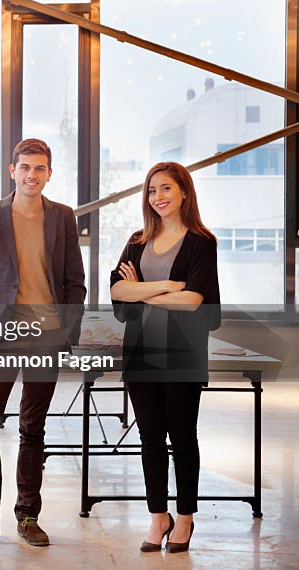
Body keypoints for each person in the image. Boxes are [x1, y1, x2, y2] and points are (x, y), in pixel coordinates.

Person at [0, 138, 86, 548]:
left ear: (49, 173)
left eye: (40, 168)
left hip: (47, 337)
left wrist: (67, 335)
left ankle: (28, 515)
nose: (32, 175)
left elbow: (75, 282)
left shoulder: (62, 217)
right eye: (24, 167)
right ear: (12, 170)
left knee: (33, 427)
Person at [109, 161, 219, 554]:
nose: (158, 197)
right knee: (150, 438)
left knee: (182, 436)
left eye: (166, 189)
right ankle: (159, 517)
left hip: (182, 354)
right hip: (141, 352)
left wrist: (144, 291)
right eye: (152, 190)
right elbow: (118, 293)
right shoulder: (137, 240)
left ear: (184, 192)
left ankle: (185, 516)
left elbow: (194, 301)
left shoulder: (201, 242)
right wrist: (166, 286)